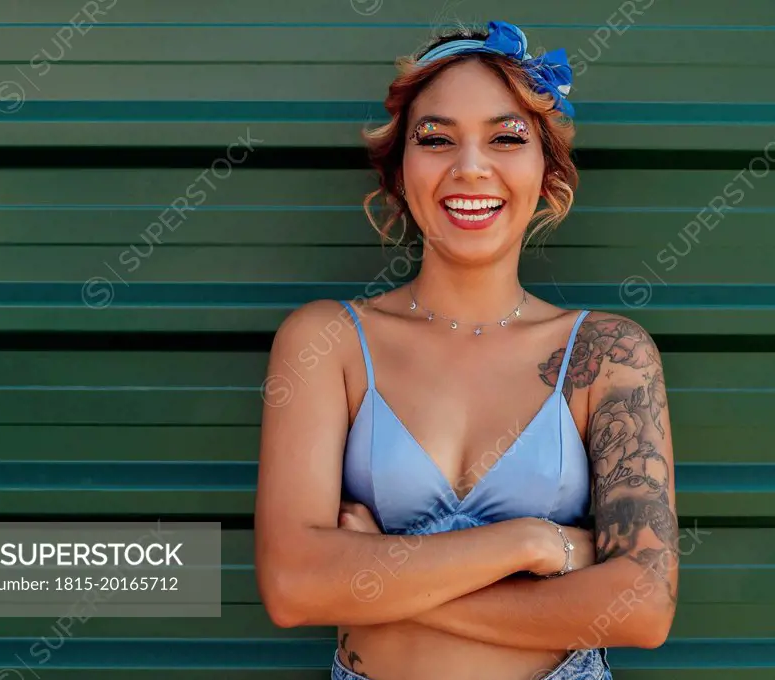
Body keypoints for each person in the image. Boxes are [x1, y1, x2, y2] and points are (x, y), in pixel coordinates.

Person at [255, 20, 678, 680]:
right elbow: (292, 586)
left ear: (546, 172)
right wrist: (532, 542)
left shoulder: (607, 353)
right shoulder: (327, 341)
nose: (470, 166)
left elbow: (643, 608)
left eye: (506, 138)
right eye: (437, 139)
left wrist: (380, 580)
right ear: (400, 171)